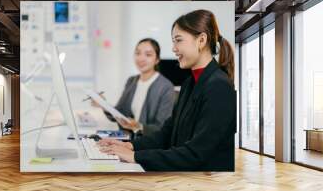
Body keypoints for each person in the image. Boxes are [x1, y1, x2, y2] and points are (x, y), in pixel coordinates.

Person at [98, 10, 236, 171]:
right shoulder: (189, 83)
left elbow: (196, 154)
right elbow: (167, 134)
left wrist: (135, 157)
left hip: (208, 184)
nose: (174, 48)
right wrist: (130, 146)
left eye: (178, 41)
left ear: (202, 40)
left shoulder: (219, 86)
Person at [93, 38, 175, 135]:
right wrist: (104, 105)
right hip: (128, 138)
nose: (141, 58)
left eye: (148, 55)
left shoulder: (166, 87)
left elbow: (162, 127)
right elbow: (120, 112)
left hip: (148, 143)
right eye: (137, 53)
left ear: (157, 60)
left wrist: (139, 126)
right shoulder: (131, 81)